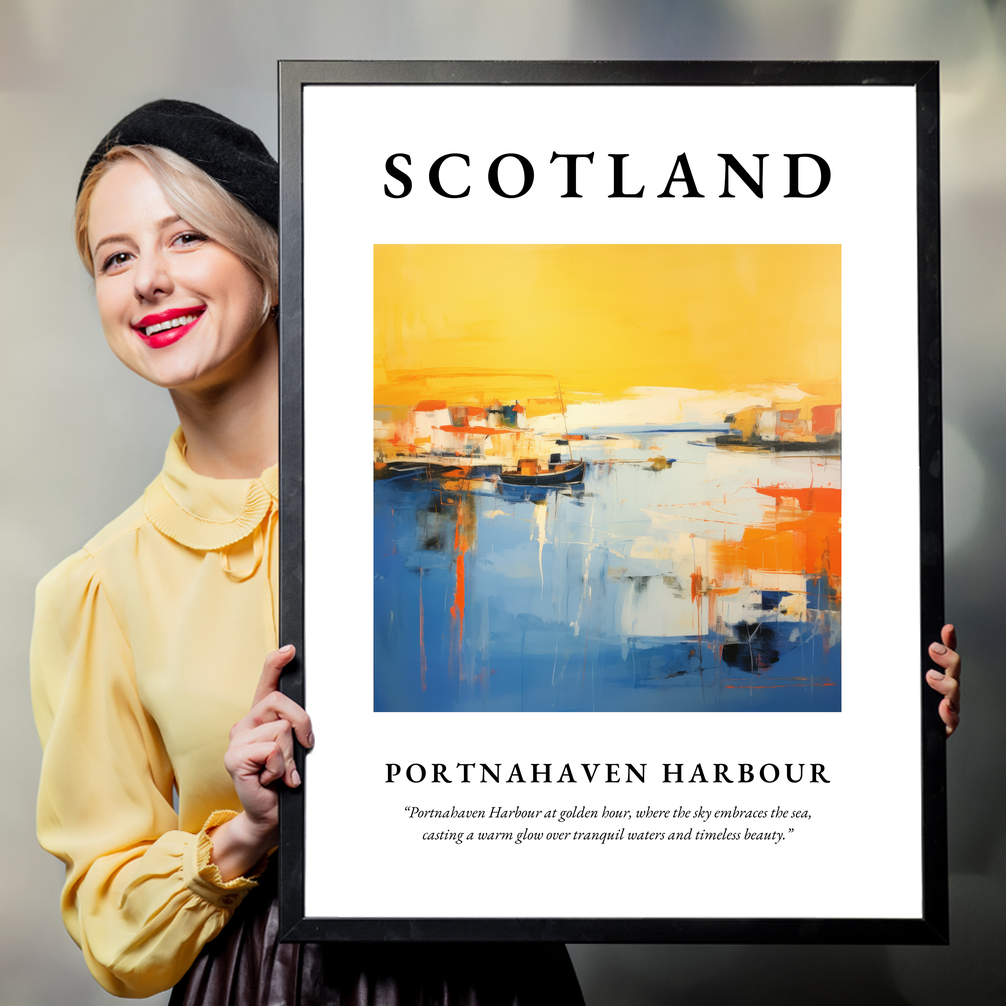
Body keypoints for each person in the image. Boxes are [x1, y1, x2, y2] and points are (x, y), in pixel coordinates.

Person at [30, 100, 586, 1004]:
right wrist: (245, 832)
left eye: (185, 238)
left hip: (491, 972)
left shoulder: (446, 491)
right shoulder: (97, 588)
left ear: (272, 263)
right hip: (262, 982)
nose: (148, 281)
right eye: (116, 257)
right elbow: (110, 922)